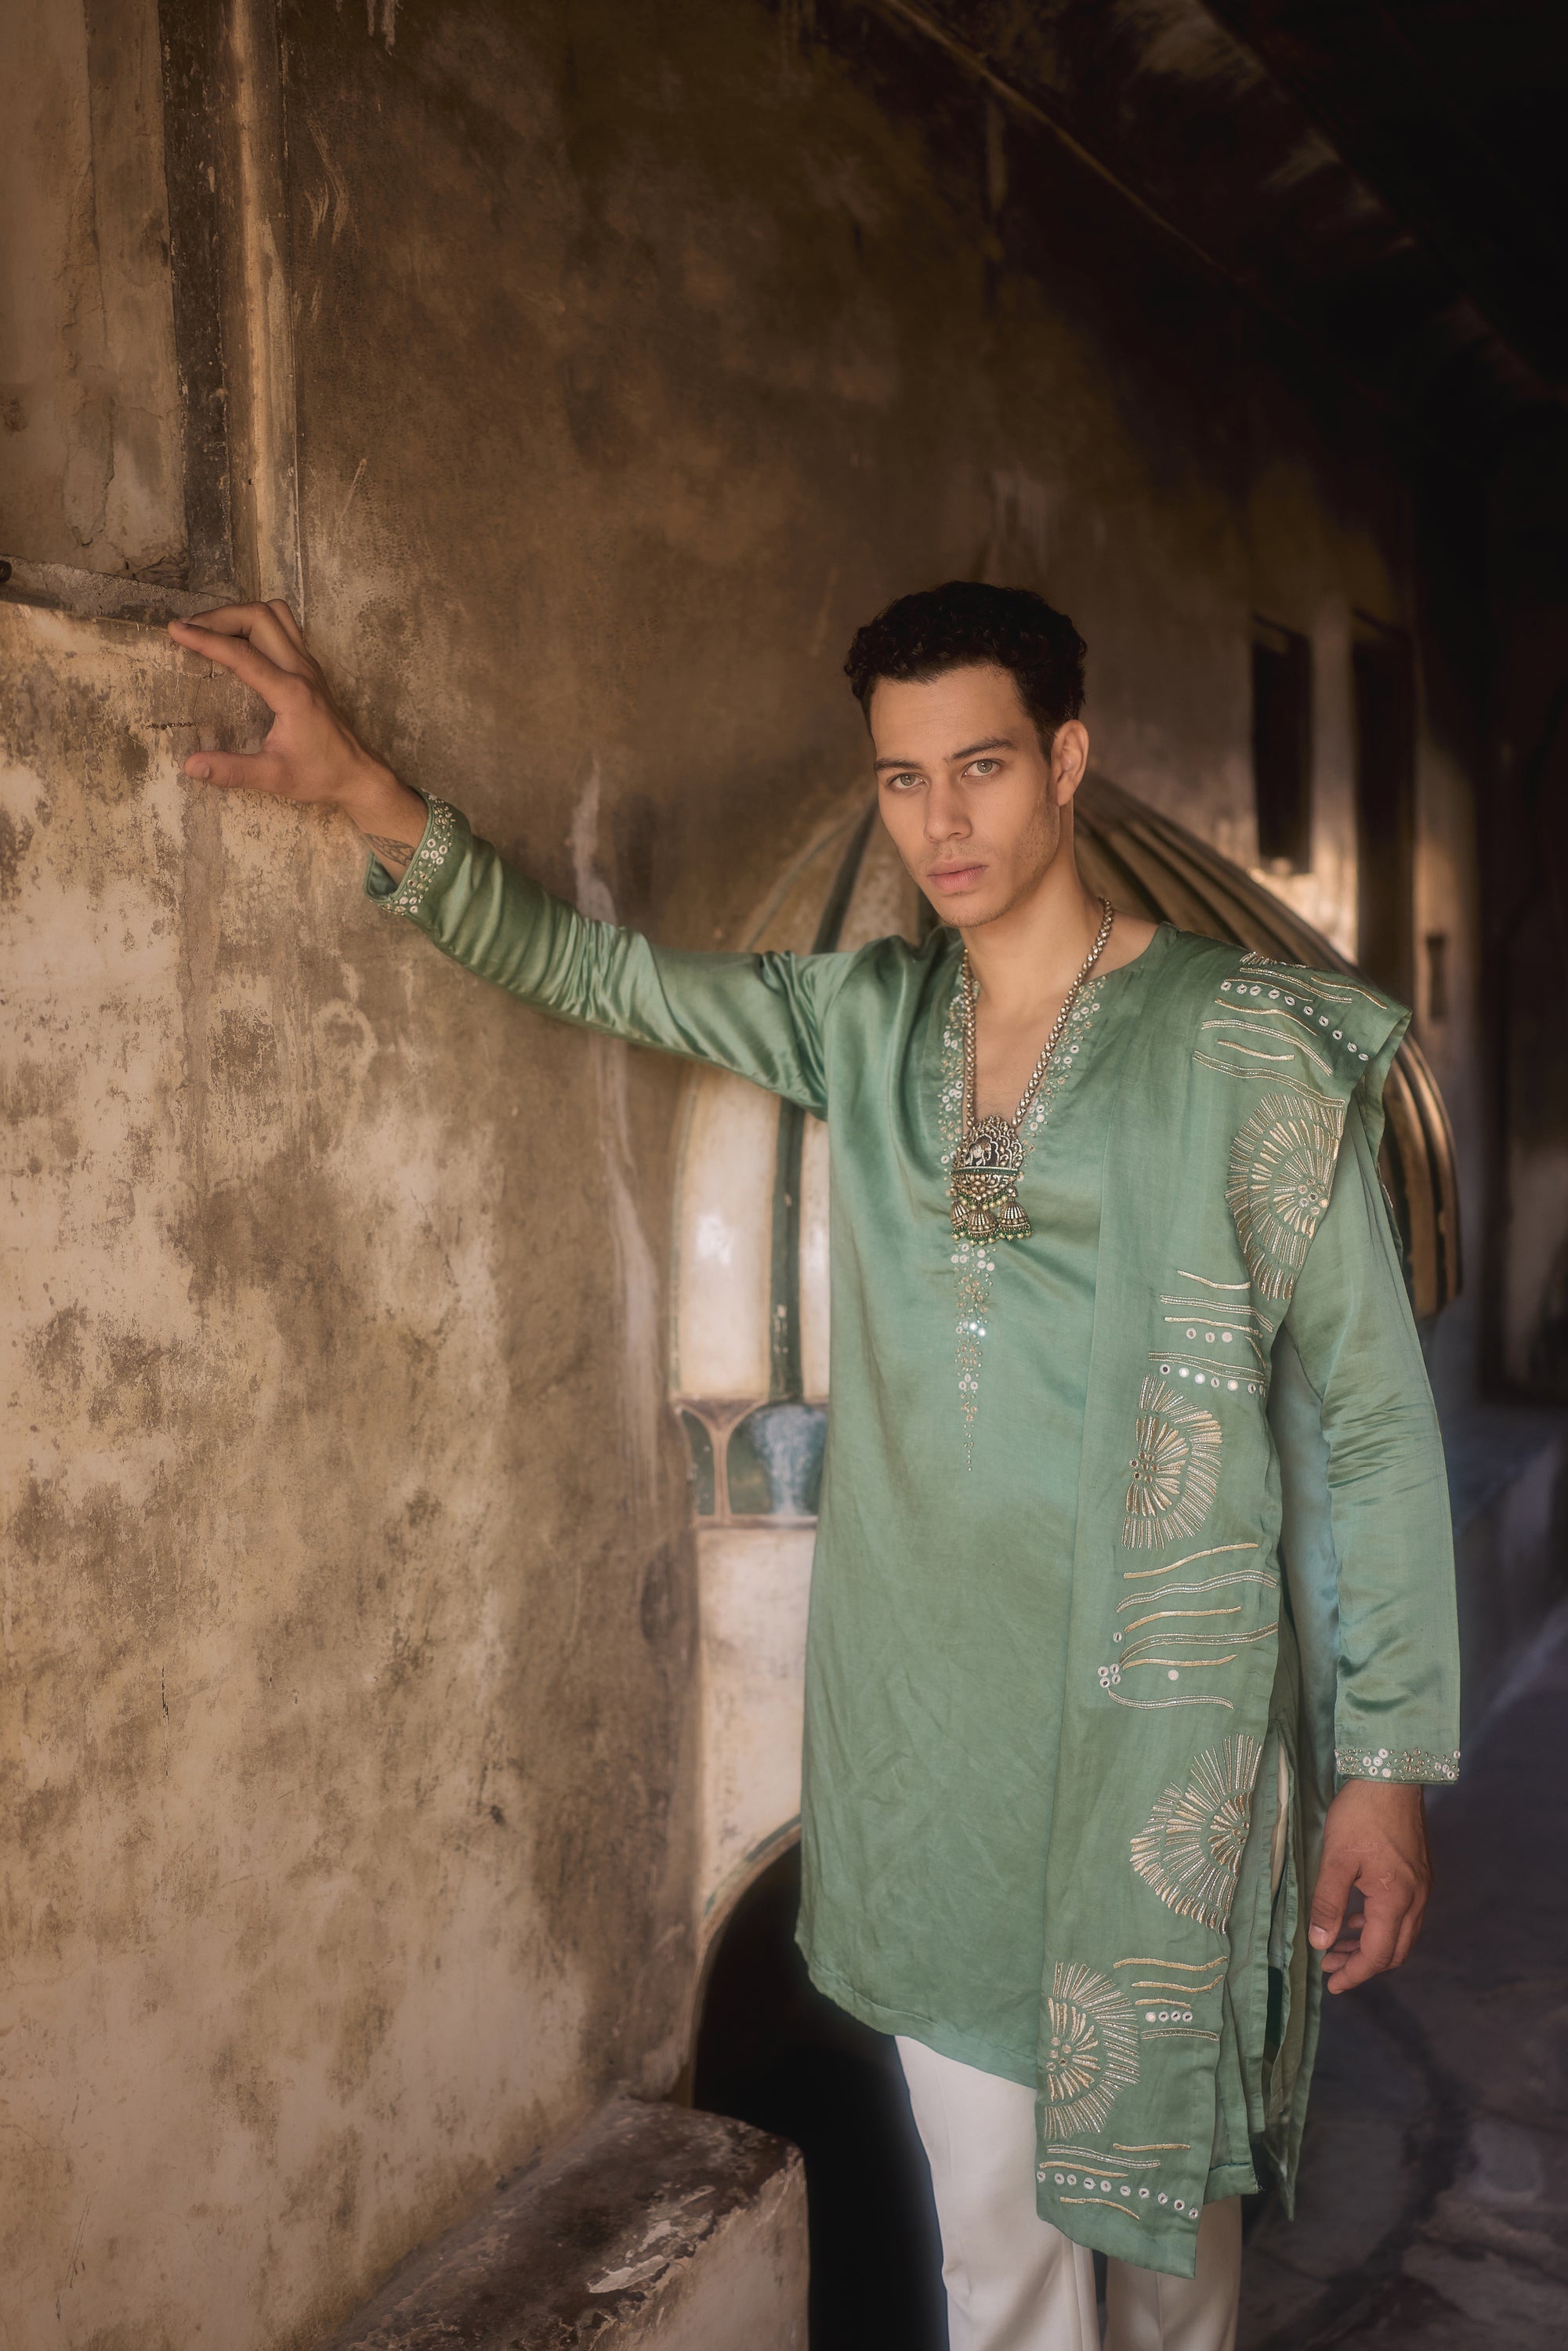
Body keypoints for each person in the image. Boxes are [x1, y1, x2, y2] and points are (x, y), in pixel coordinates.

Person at [167, 581, 1459, 2351]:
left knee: (1170, 2265)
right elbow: (600, 974)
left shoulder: (1246, 1043)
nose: (941, 822)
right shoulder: (867, 1023)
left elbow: (1372, 1416)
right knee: (997, 2259)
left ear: (1065, 759)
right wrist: (365, 795)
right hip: (931, 1752)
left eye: (981, 766)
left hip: (1172, 1751)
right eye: (902, 779)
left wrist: (1383, 1765)